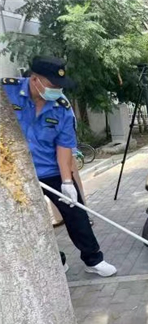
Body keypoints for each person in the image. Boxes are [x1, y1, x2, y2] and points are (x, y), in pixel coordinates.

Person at [2, 56, 116, 277]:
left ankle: (93, 260)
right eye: (53, 85)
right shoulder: (6, 91)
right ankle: (56, 259)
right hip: (15, 173)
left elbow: (64, 147)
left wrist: (66, 182)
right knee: (28, 222)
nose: (58, 90)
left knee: (76, 212)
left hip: (51, 170)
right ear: (35, 80)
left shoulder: (61, 107)